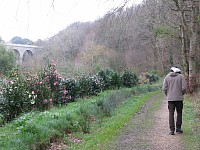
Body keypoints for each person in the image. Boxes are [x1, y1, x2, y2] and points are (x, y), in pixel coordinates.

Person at [163, 66, 186, 135]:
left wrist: (168, 95)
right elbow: (184, 88)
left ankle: (172, 130)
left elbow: (164, 88)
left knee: (171, 114)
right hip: (179, 98)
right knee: (179, 113)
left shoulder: (166, 77)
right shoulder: (181, 77)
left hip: (170, 99)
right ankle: (178, 129)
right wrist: (182, 94)